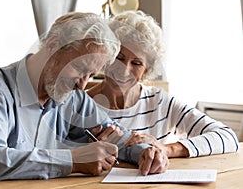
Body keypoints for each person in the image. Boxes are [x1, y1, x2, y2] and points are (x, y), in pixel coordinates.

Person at [0, 12, 168, 189]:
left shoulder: (70, 96)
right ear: (53, 46)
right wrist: (72, 159)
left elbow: (116, 136)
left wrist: (147, 152)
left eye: (91, 75)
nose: (82, 85)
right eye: (79, 68)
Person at [87, 10, 239, 159]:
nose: (124, 70)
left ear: (147, 70)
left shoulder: (160, 102)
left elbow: (227, 137)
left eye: (137, 63)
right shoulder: (79, 104)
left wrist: (166, 149)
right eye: (118, 58)